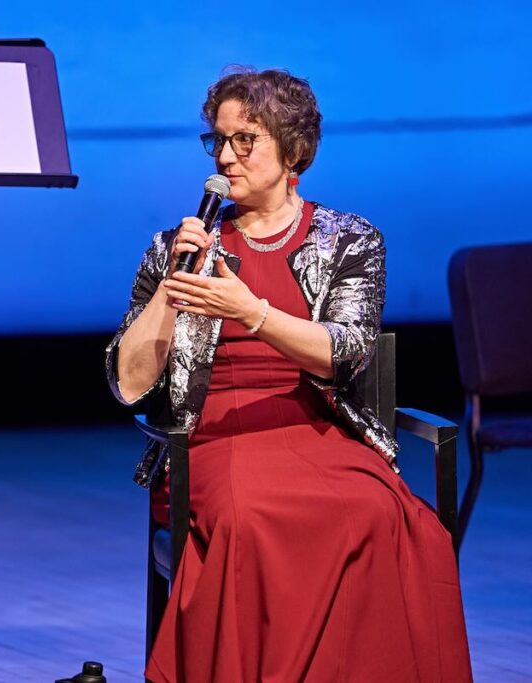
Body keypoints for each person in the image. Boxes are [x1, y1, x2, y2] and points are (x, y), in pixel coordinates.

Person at [106, 69, 473, 682]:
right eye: (217, 141)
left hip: (319, 427)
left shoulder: (351, 241)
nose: (225, 156)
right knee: (250, 520)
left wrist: (251, 311)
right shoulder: (177, 245)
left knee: (383, 515)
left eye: (244, 140)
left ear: (293, 148)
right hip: (214, 436)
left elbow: (347, 353)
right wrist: (170, 292)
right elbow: (129, 383)